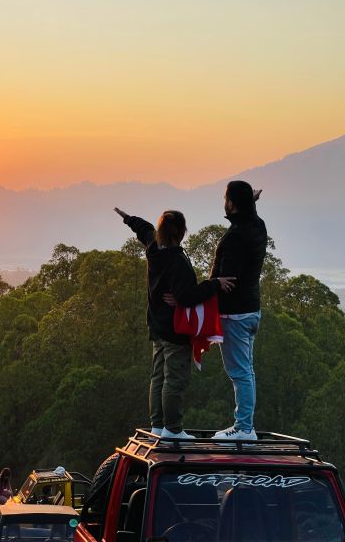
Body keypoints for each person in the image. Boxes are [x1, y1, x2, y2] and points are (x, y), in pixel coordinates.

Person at [114, 207, 235, 439]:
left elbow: (143, 229)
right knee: (174, 380)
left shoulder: (153, 247)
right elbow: (187, 296)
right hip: (175, 330)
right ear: (181, 232)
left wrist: (127, 218)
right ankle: (173, 429)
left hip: (157, 326)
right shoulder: (176, 261)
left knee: (158, 377)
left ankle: (158, 426)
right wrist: (215, 284)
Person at [209, 181, 267, 442]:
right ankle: (245, 425)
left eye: (226, 199)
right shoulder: (257, 225)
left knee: (240, 372)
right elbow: (245, 221)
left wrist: (206, 291)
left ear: (231, 203)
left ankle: (244, 428)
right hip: (251, 310)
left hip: (235, 314)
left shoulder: (235, 236)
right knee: (247, 370)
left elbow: (226, 279)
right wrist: (249, 205)